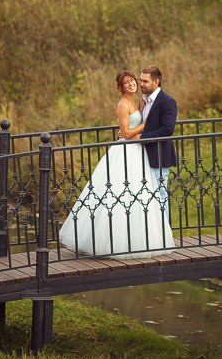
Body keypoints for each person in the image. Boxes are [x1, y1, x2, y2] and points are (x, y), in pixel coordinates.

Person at [58, 70, 175, 258]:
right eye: (127, 83)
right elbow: (127, 133)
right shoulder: (122, 105)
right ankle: (112, 241)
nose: (132, 84)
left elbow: (136, 128)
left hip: (139, 151)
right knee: (119, 193)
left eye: (134, 81)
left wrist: (137, 130)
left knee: (140, 194)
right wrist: (145, 126)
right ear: (121, 87)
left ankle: (144, 237)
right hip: (127, 151)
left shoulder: (140, 101)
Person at [134, 65, 178, 211]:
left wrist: (141, 137)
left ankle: (164, 233)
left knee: (160, 195)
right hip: (142, 156)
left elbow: (167, 130)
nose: (141, 84)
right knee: (146, 197)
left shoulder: (167, 101)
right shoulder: (143, 101)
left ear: (156, 82)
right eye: (141, 80)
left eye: (145, 81)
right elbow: (143, 124)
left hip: (159, 156)